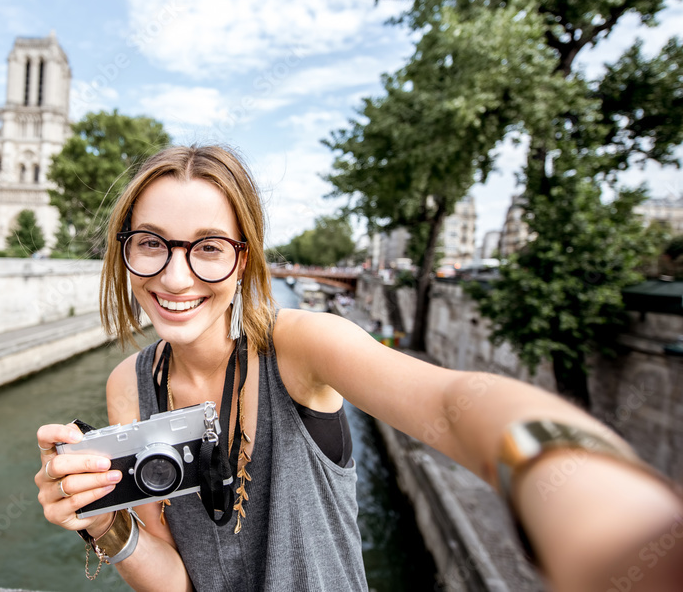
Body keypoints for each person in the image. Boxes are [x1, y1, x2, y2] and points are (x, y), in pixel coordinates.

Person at [36, 145, 683, 591]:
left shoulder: (302, 347)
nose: (175, 275)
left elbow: (455, 403)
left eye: (207, 247)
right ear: (124, 253)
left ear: (244, 258)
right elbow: (177, 580)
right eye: (150, 243)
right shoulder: (129, 386)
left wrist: (575, 482)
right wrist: (101, 518)